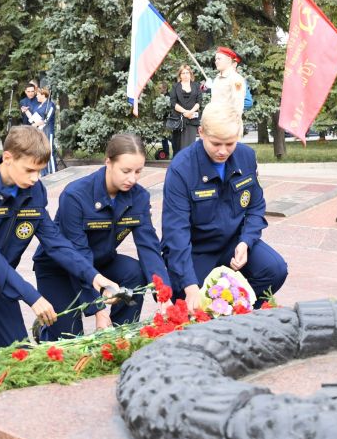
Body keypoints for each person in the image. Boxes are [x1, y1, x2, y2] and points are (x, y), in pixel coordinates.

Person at [0, 126, 120, 366]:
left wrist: (94, 277)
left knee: (19, 356)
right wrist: (32, 297)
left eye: (39, 171)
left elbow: (56, 243)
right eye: (29, 170)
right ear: (8, 158)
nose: (35, 178)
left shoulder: (34, 191)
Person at [33, 133, 171, 340]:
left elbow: (148, 246)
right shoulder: (76, 195)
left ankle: (118, 338)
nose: (132, 179)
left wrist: (163, 295)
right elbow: (77, 254)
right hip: (59, 268)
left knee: (135, 272)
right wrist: (98, 310)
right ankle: (46, 331)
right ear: (108, 162)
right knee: (69, 340)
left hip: (101, 261)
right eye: (126, 171)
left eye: (138, 171)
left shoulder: (139, 196)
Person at [161, 102, 287, 313]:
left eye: (230, 143)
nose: (223, 151)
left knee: (274, 269)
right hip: (196, 249)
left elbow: (255, 207)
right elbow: (176, 232)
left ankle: (237, 312)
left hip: (233, 243)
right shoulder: (182, 168)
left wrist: (246, 242)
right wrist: (190, 285)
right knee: (190, 302)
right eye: (216, 143)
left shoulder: (246, 157)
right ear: (201, 133)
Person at [171, 64, 201, 156]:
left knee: (190, 144)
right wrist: (184, 112)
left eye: (187, 73)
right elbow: (173, 102)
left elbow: (199, 101)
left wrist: (190, 112)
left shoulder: (196, 86)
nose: (185, 75)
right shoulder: (175, 86)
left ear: (190, 74)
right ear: (180, 75)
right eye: (183, 73)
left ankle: (189, 164)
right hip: (179, 120)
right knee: (179, 146)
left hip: (192, 119)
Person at [209, 46, 247, 114]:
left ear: (229, 60)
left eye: (219, 59)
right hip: (215, 121)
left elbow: (237, 106)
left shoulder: (236, 79)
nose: (216, 62)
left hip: (228, 122)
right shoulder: (217, 79)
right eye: (216, 59)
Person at [31, 87, 56, 176]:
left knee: (49, 151)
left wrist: (35, 124)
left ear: (43, 95)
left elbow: (46, 119)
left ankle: (53, 172)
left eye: (38, 95)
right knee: (41, 152)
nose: (36, 96)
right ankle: (44, 173)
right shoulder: (38, 106)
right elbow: (32, 118)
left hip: (48, 131)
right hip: (39, 132)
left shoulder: (50, 105)